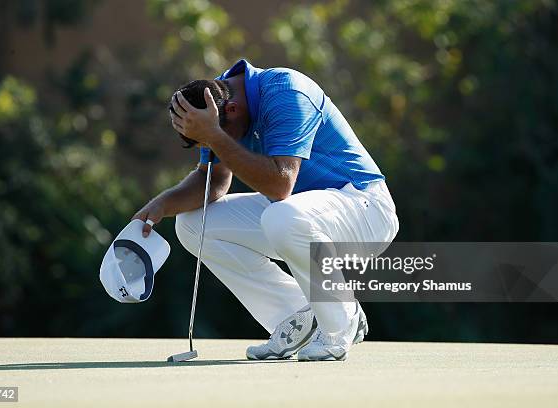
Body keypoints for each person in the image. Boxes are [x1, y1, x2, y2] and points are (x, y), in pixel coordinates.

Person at [132, 59, 399, 361]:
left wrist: (215, 137)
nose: (215, 145)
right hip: (299, 216)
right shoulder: (216, 103)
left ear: (231, 112)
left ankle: (339, 322)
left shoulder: (287, 92)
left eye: (214, 137)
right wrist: (161, 204)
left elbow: (280, 184)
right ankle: (299, 316)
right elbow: (214, 182)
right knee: (193, 223)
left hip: (365, 210)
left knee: (281, 215)